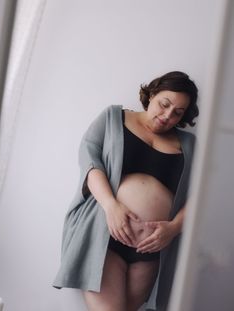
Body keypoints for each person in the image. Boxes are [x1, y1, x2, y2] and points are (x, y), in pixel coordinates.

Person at [53, 71, 199, 311]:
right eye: (164, 104)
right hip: (106, 235)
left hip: (152, 248)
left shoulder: (189, 144)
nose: (167, 115)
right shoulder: (113, 118)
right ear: (152, 93)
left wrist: (172, 229)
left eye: (178, 113)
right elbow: (90, 164)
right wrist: (112, 207)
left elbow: (200, 196)